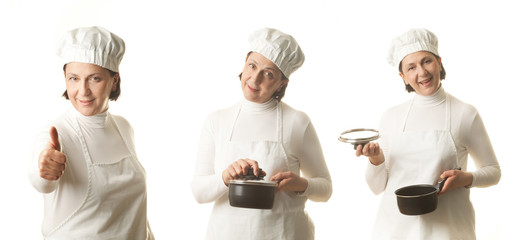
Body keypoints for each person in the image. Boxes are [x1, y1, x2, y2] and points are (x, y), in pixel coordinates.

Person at [356, 28, 501, 239]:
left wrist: (466, 178)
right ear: (403, 77)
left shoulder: (464, 113)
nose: (422, 72)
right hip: (394, 229)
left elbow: (493, 171)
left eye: (427, 61)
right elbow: (377, 187)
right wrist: (376, 161)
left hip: (448, 230)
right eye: (411, 67)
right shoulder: (391, 117)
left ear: (439, 62)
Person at [191, 28, 332, 240]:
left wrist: (301, 184)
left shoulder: (297, 122)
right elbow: (199, 192)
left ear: (282, 83)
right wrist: (225, 177)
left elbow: (325, 189)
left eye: (268, 74)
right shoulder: (217, 120)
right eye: (252, 65)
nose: (254, 79)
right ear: (244, 62)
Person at [28, 26, 154, 239]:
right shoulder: (58, 134)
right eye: (74, 78)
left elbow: (135, 216)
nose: (83, 91)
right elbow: (42, 181)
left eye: (95, 78)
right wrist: (44, 169)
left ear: (114, 80)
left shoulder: (123, 127)